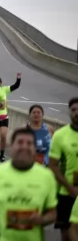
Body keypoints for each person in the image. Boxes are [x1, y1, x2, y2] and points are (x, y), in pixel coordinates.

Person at [0, 128, 57, 241]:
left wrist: (42, 220)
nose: (24, 146)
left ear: (34, 149)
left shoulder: (46, 176)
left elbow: (53, 213)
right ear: (11, 146)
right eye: (20, 142)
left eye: (29, 143)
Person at [49, 97, 78, 241]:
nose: (76, 112)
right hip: (67, 193)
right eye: (73, 110)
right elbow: (53, 165)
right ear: (69, 113)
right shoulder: (60, 136)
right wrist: (70, 188)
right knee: (66, 234)